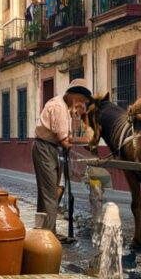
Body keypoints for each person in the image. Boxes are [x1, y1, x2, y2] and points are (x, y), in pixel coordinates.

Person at [32, 78, 92, 242]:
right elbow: (64, 141)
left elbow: (66, 135)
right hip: (45, 148)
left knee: (47, 193)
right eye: (81, 101)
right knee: (50, 193)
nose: (81, 105)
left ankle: (44, 230)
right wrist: (87, 140)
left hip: (50, 148)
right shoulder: (59, 107)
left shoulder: (65, 106)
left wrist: (80, 115)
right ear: (74, 96)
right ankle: (49, 235)